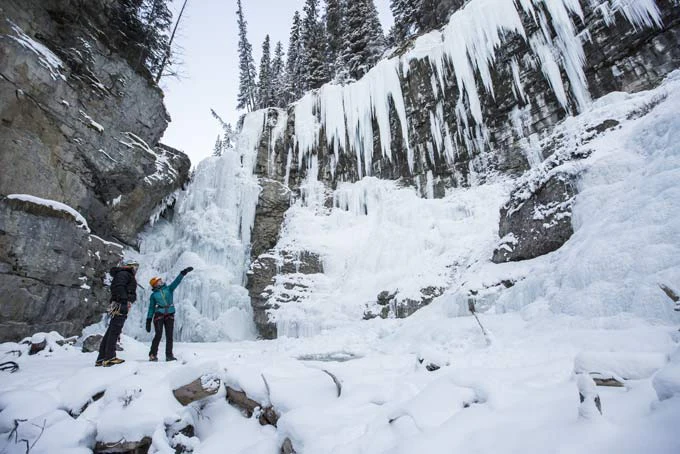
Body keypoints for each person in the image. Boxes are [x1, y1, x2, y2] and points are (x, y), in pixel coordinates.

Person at [96, 260, 139, 367]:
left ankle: (101, 358)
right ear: (130, 267)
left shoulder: (122, 274)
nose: (136, 270)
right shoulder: (124, 274)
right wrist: (124, 300)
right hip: (120, 304)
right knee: (115, 330)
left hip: (119, 303)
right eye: (135, 267)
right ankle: (109, 357)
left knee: (111, 330)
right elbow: (118, 287)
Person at [146, 267, 193, 362]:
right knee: (158, 335)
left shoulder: (169, 289)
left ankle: (169, 355)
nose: (161, 281)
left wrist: (183, 273)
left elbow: (176, 282)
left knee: (169, 336)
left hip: (170, 314)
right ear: (155, 285)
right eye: (158, 281)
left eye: (160, 280)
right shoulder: (154, 295)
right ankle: (152, 354)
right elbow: (151, 308)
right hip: (159, 314)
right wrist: (148, 319)